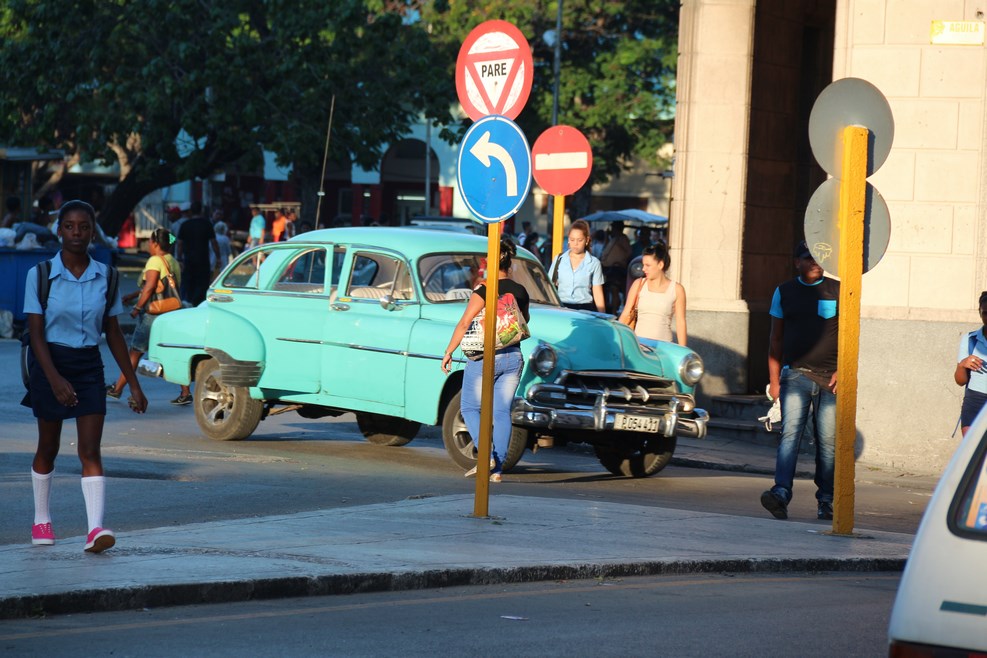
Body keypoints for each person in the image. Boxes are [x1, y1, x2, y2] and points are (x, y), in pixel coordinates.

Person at [21, 200, 148, 553]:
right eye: (70, 226)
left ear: (93, 232)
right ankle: (42, 519)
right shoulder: (40, 275)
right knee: (48, 447)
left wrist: (133, 384)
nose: (77, 233)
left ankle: (95, 529)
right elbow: (35, 333)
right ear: (59, 230)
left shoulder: (107, 276)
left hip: (89, 365)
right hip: (50, 362)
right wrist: (54, 379)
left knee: (90, 449)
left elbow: (113, 332)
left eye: (84, 227)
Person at [760, 241, 839, 522]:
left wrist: (845, 370)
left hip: (831, 380)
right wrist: (774, 380)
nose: (816, 262)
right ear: (797, 262)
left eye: (821, 257)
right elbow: (775, 339)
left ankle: (826, 501)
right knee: (790, 435)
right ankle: (781, 493)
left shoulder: (838, 290)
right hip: (795, 374)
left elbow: (851, 334)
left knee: (827, 442)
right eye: (809, 257)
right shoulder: (784, 291)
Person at [441, 239, 530, 482]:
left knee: (470, 407)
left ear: (492, 260)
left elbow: (464, 323)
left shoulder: (484, 289)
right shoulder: (521, 291)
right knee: (501, 412)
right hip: (513, 357)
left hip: (486, 358)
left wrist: (449, 351)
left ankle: (486, 457)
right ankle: (498, 470)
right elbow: (525, 321)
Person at [107, 228, 192, 406]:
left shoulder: (154, 260)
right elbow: (161, 287)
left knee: (135, 351)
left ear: (155, 243)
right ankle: (185, 392)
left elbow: (151, 286)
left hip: (153, 314)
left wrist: (137, 307)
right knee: (171, 350)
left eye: (149, 242)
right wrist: (132, 296)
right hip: (171, 312)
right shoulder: (173, 261)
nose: (148, 245)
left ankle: (117, 389)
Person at [619, 242, 687, 347]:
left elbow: (680, 322)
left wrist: (683, 350)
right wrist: (616, 339)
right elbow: (625, 314)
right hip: (638, 346)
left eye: (648, 265)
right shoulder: (638, 284)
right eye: (643, 265)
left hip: (664, 346)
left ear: (660, 265)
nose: (643, 269)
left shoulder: (677, 289)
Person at [548, 219, 605, 312]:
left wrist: (602, 315)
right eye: (572, 240)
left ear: (587, 240)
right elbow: (549, 286)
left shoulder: (594, 263)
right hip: (561, 308)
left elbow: (597, 292)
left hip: (585, 309)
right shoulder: (559, 259)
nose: (575, 244)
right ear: (568, 240)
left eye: (579, 240)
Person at [954, 291, 987, 436]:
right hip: (975, 401)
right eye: (985, 313)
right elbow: (960, 381)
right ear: (980, 313)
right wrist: (963, 365)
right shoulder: (970, 339)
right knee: (971, 447)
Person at [175, 201, 220, 306]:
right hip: (203, 259)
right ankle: (198, 303)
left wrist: (179, 258)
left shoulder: (184, 225)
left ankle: (189, 302)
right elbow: (214, 242)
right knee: (202, 283)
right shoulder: (207, 224)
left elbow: (179, 243)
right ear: (202, 211)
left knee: (189, 282)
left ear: (190, 211)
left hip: (188, 259)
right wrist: (218, 257)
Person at [600, 220, 632, 314]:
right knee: (607, 289)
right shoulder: (613, 239)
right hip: (608, 269)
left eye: (613, 228)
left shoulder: (622, 239)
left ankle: (614, 312)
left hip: (617, 269)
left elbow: (629, 252)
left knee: (614, 289)